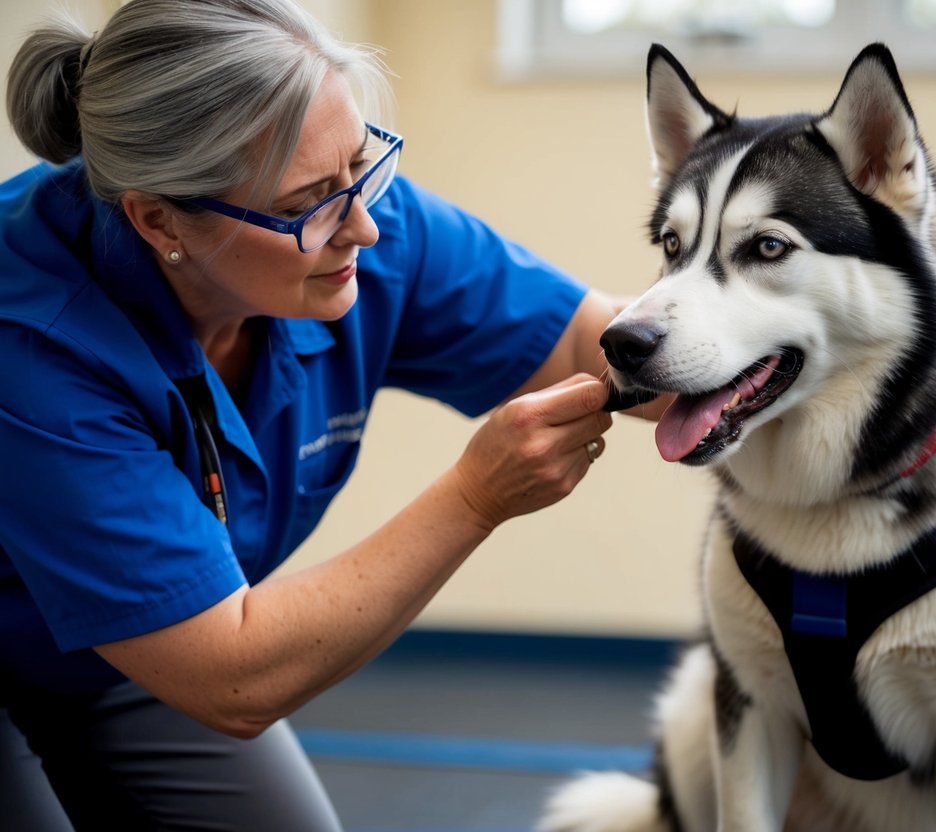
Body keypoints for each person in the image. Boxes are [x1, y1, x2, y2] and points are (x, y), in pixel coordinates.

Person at [0, 1, 640, 828]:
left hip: (133, 646)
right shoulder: (31, 339)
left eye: (361, 166)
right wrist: (476, 497)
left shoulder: (371, 227)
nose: (365, 227)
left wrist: (803, 348)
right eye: (310, 202)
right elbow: (234, 679)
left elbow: (598, 341)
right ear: (159, 220)